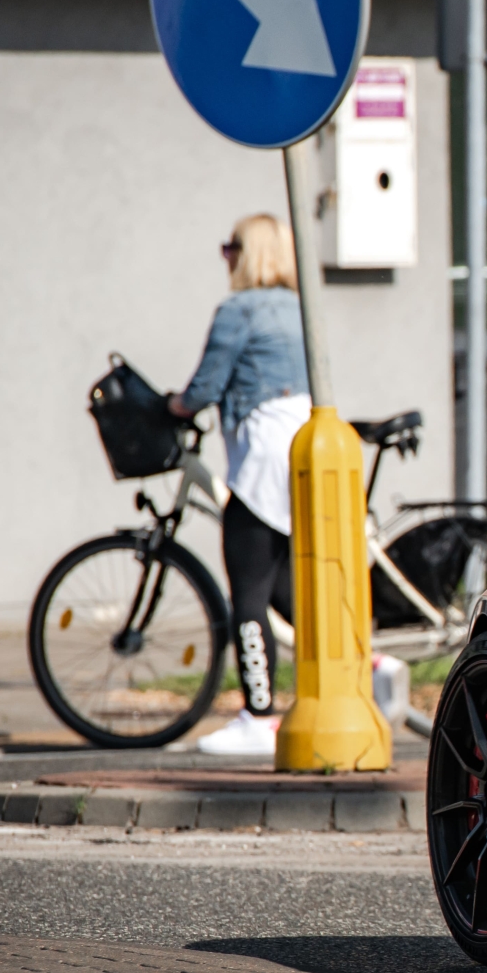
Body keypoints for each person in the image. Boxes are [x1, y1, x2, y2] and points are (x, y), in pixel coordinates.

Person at [168, 214, 310, 756]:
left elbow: (204, 387)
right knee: (290, 589)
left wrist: (172, 406)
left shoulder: (238, 310)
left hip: (261, 461)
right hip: (306, 449)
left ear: (248, 254)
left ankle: (257, 716)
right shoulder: (302, 308)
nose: (224, 255)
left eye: (231, 246)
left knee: (248, 591)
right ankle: (367, 669)